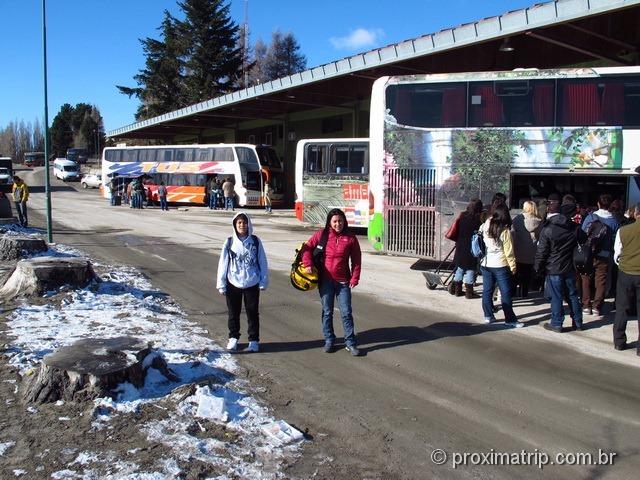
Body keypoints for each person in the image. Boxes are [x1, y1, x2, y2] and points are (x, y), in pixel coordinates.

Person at [302, 208, 363, 355]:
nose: (338, 224)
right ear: (330, 222)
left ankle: (350, 342)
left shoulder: (350, 238)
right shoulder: (321, 235)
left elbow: (356, 260)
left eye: (340, 221)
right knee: (327, 312)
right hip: (325, 281)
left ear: (344, 221)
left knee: (346, 312)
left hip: (343, 282)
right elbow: (306, 248)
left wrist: (355, 277)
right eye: (335, 221)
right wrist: (308, 264)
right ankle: (329, 339)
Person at [216, 213, 269, 353]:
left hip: (252, 282)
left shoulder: (255, 241)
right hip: (233, 282)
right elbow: (223, 263)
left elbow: (262, 261)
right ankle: (233, 337)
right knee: (233, 312)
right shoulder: (229, 242)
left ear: (248, 224)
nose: (241, 225)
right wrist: (221, 284)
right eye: (239, 223)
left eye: (244, 223)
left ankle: (253, 340)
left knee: (252, 313)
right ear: (235, 224)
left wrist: (263, 280)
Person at [534, 199, 585, 333]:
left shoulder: (548, 229)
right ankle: (578, 322)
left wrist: (538, 268)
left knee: (556, 296)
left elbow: (541, 251)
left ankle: (557, 323)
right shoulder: (574, 227)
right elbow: (584, 239)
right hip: (569, 266)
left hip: (554, 266)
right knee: (572, 295)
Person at [479, 203, 522, 327]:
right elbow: (509, 252)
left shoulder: (485, 225)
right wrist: (513, 266)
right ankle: (510, 319)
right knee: (505, 292)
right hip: (500, 265)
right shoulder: (504, 230)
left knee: (487, 291)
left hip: (485, 263)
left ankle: (488, 316)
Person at [580, 194, 620, 316]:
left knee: (586, 278)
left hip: (589, 253)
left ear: (598, 204)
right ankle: (597, 306)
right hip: (605, 254)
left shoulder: (591, 217)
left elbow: (582, 233)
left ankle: (586, 305)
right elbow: (615, 239)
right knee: (601, 281)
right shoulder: (614, 221)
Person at [613, 203, 640, 352]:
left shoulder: (623, 230)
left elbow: (617, 253)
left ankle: (619, 341)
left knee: (622, 308)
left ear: (636, 214)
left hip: (626, 272)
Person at [450, 199, 482, 298]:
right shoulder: (477, 219)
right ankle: (469, 292)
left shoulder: (462, 216)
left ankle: (457, 290)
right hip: (471, 247)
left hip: (460, 245)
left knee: (460, 267)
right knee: (470, 269)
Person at [511, 200, 542, 298]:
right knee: (527, 273)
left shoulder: (518, 219)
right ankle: (524, 292)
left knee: (516, 272)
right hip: (532, 251)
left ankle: (514, 291)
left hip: (518, 250)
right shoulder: (540, 221)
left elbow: (512, 232)